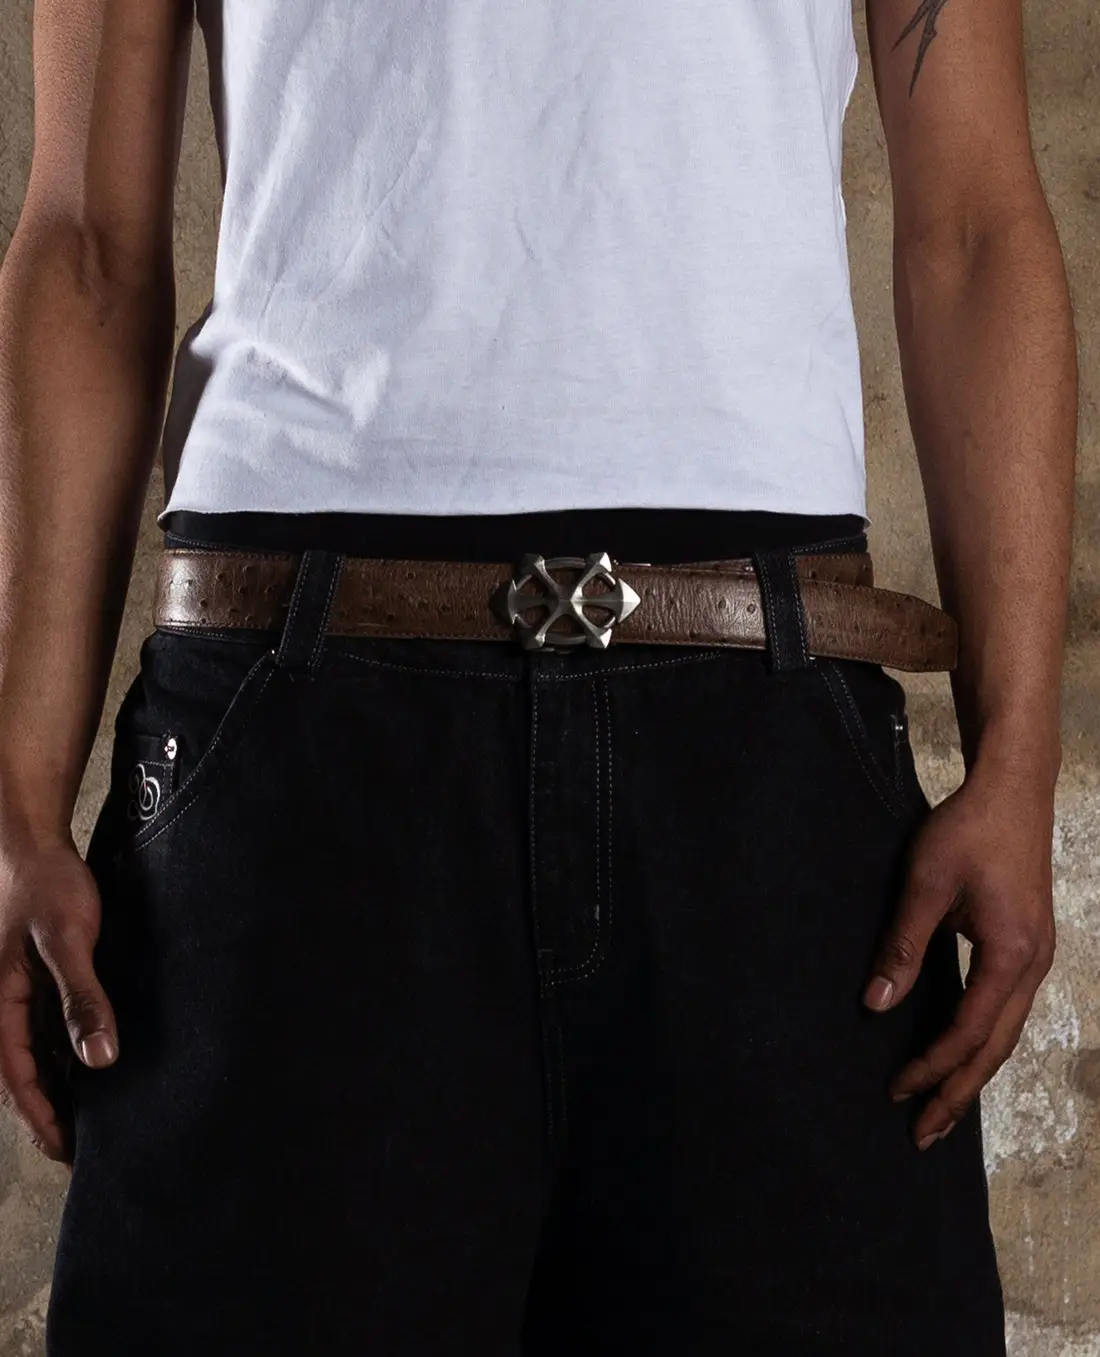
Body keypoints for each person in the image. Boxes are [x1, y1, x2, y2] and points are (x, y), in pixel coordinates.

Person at [0, 0, 1076, 1352]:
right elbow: (85, 245)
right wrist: (18, 798)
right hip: (298, 733)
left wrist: (1018, 754)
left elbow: (975, 224)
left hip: (763, 729)